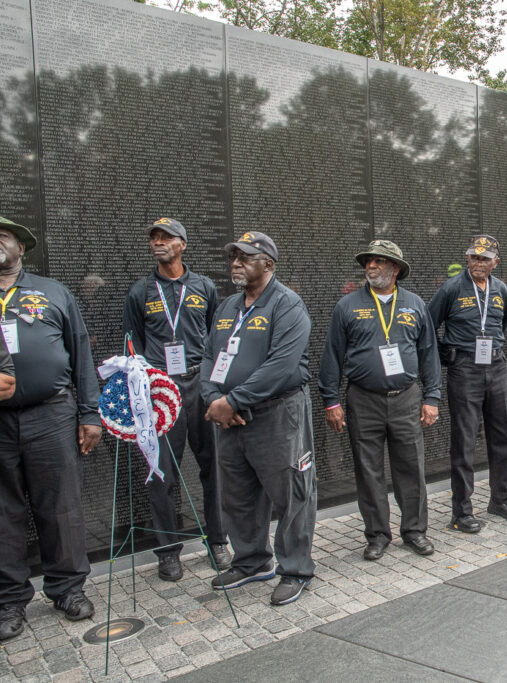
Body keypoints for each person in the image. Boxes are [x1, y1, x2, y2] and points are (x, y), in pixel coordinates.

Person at [201, 231, 316, 606]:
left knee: (291, 495)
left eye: (245, 257)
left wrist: (233, 400)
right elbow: (208, 356)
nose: (235, 263)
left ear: (268, 264)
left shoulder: (287, 305)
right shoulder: (227, 307)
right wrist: (214, 398)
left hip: (276, 414)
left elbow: (281, 365)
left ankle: (295, 569)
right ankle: (252, 561)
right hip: (231, 419)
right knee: (238, 494)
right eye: (233, 257)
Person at [0, 216, 100, 640]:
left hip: (51, 415)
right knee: (2, 512)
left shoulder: (52, 292)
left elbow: (81, 352)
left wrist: (90, 414)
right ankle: (8, 600)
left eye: (3, 236)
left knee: (60, 506)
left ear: (21, 247)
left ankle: (67, 589)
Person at [319, 240, 441, 561]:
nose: (371, 266)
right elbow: (332, 356)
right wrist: (331, 401)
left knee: (411, 467)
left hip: (406, 398)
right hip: (363, 400)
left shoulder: (414, 304)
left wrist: (432, 397)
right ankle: (377, 534)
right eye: (368, 262)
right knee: (368, 470)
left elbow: (429, 353)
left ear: (395, 269)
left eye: (379, 261)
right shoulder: (347, 306)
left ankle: (414, 531)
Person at [123, 218, 230, 581]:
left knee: (213, 467)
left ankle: (218, 541)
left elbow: (216, 336)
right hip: (161, 387)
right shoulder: (140, 291)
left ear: (182, 244)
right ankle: (168, 551)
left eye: (166, 237)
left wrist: (216, 384)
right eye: (154, 237)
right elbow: (133, 343)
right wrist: (145, 386)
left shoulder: (204, 287)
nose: (158, 242)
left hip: (200, 382)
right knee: (162, 472)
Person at [428, 235, 507, 534]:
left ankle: (501, 499)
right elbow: (429, 326)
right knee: (465, 441)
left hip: (496, 365)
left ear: (496, 262)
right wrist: (448, 355)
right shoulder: (451, 288)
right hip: (465, 368)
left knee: (503, 435)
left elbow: (501, 325)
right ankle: (461, 511)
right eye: (474, 257)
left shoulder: (501, 290)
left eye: (485, 258)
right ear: (467, 258)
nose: (479, 263)